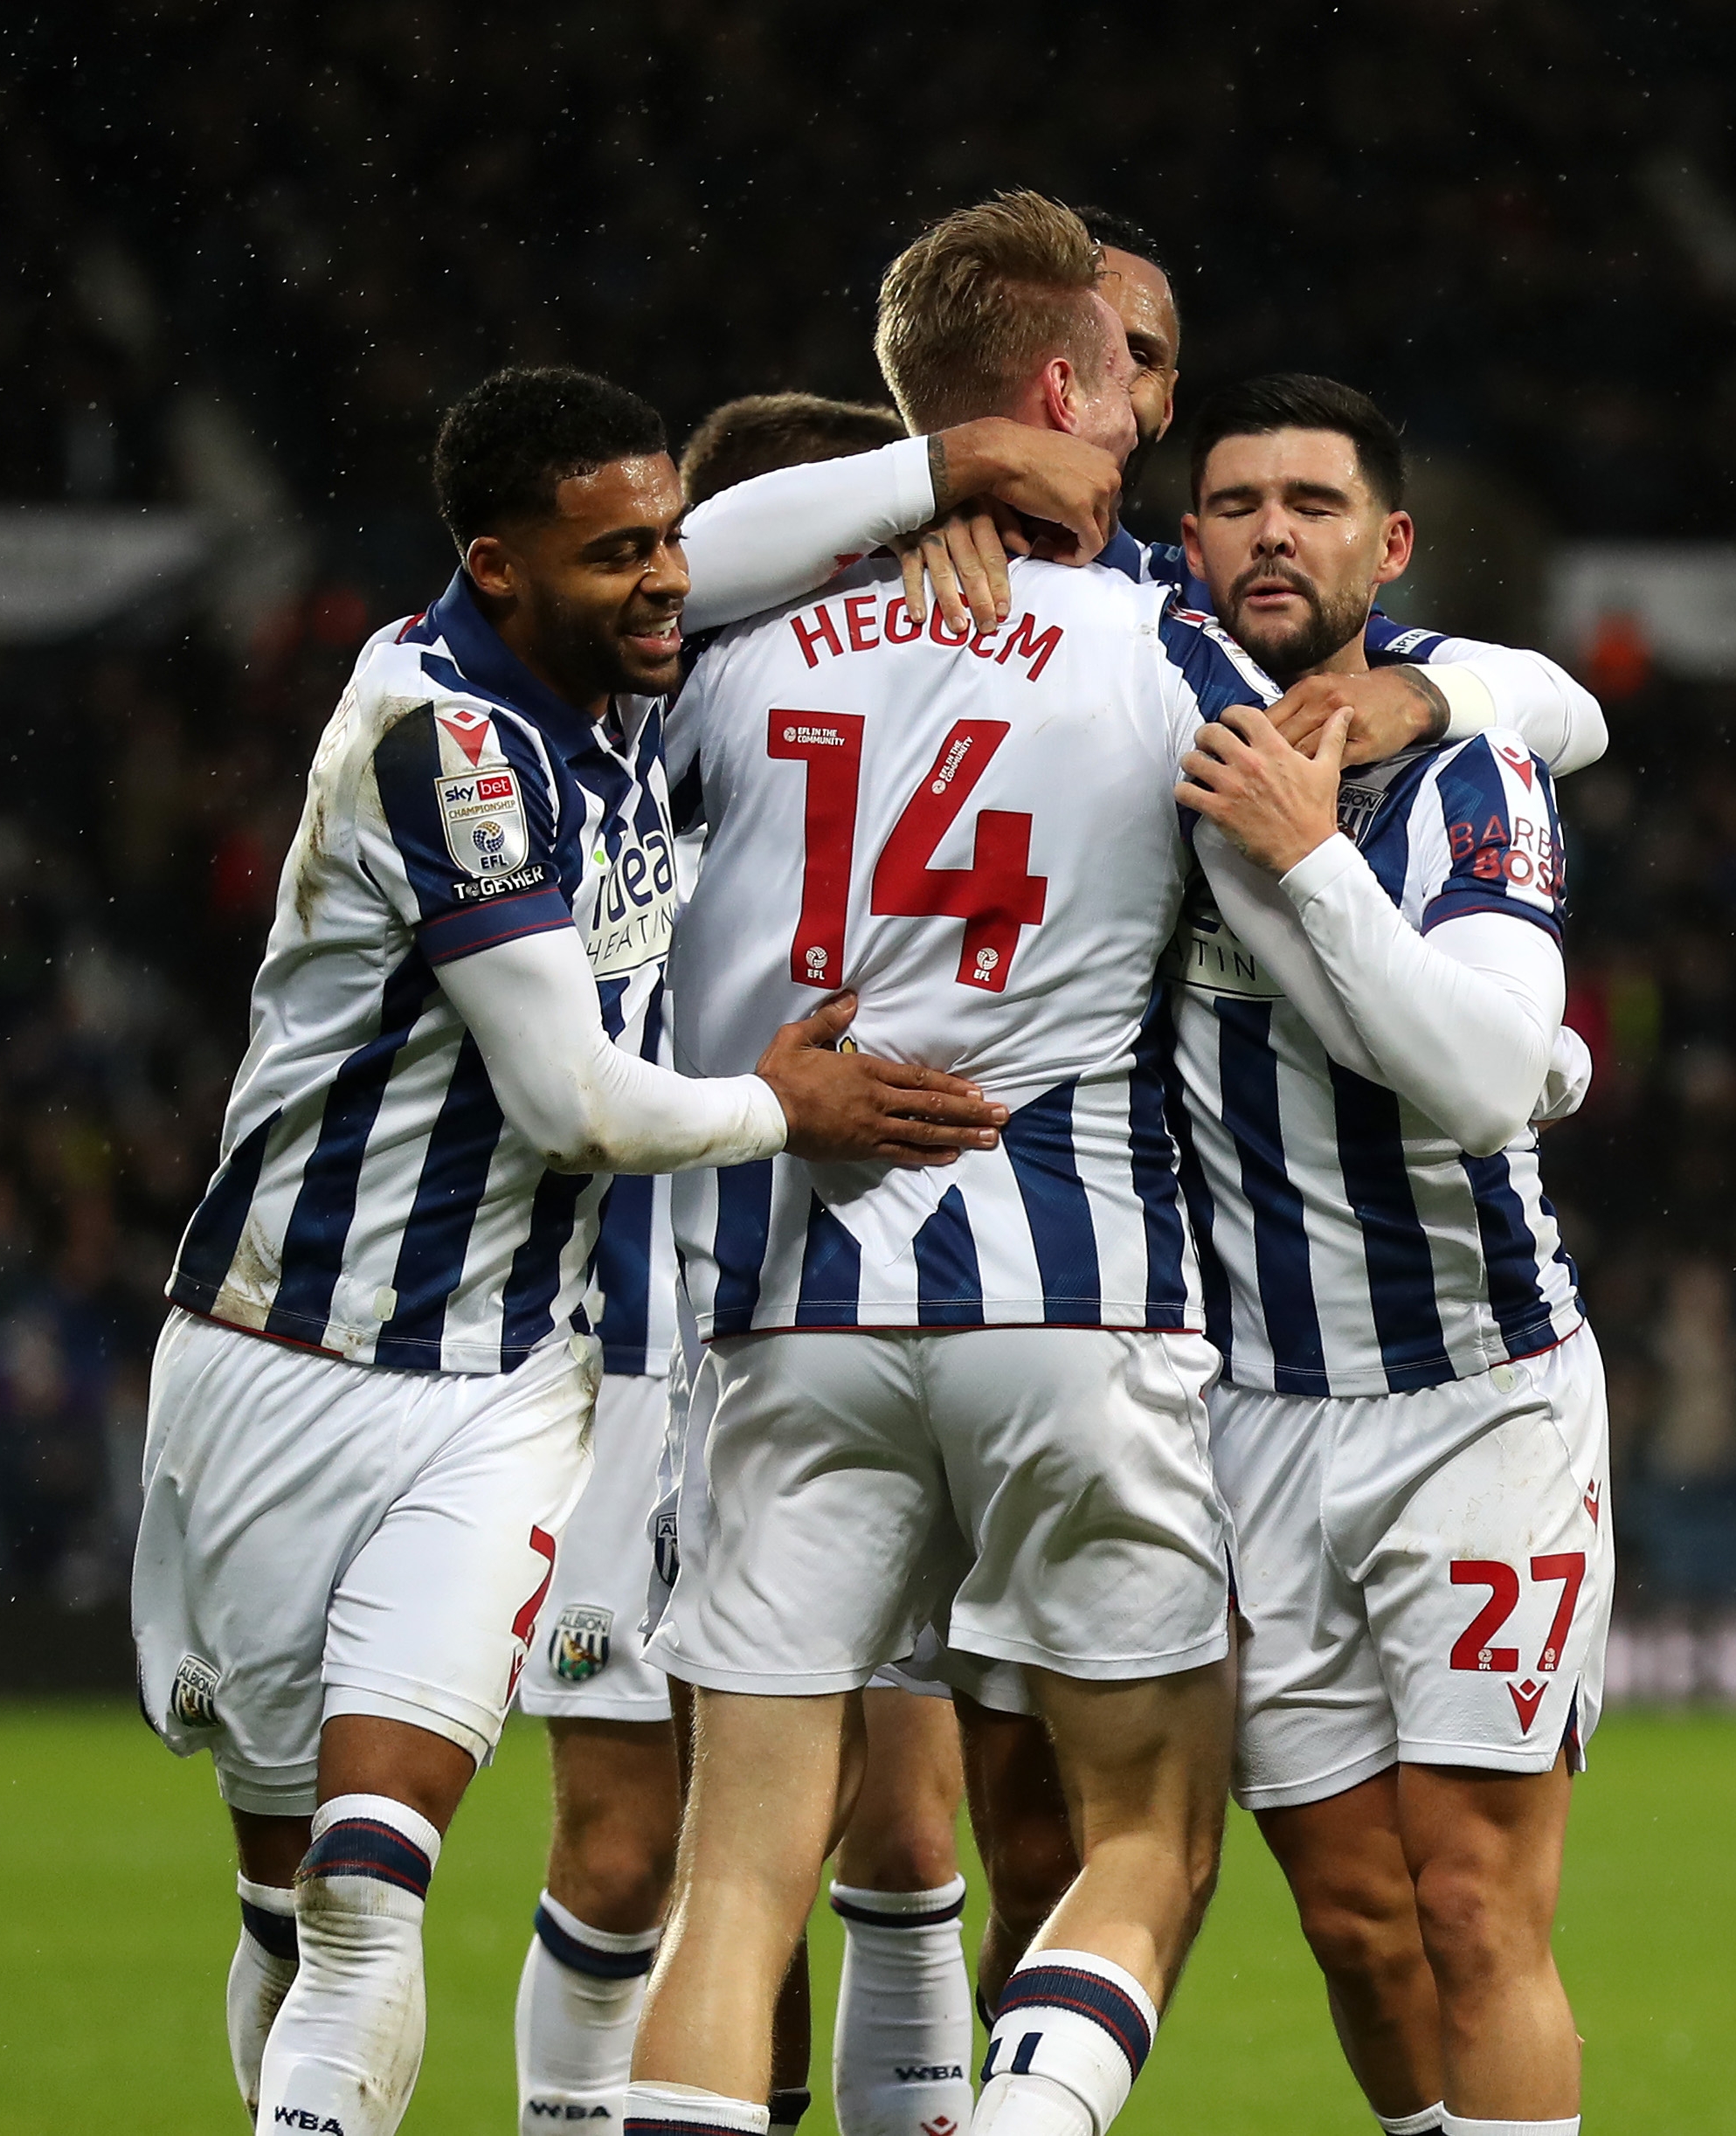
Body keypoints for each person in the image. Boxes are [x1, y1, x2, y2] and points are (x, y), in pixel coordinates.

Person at [133, 365, 1007, 2136]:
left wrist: (947, 471)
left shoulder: (615, 677)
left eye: (672, 545)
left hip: (509, 1384)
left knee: (374, 1882)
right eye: (620, 553)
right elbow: (579, 1106)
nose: (670, 580)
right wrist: (786, 1104)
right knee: (288, 1889)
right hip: (271, 1347)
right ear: (499, 562)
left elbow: (738, 529)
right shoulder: (441, 731)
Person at [626, 190, 1255, 2136]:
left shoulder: (733, 642)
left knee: (737, 1873)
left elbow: (655, 568)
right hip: (1069, 1294)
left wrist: (926, 485)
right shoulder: (1161, 637)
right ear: (1058, 383)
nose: (1145, 424)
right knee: (1143, 1827)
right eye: (1122, 381)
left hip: (790, 1300)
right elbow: (1343, 777)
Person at [515, 384, 983, 2136]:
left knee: (901, 1826)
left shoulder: (959, 697)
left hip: (869, 1319)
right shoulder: (614, 718)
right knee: (632, 1850)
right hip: (639, 1346)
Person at [1164, 373, 1607, 2136]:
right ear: (1182, 541)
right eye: (1237, 501)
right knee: (1352, 1917)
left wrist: (1306, 863)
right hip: (1254, 1411)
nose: (1275, 529)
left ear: (1389, 542)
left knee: (1469, 1902)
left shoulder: (1465, 764)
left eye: (1314, 501)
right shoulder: (1147, 724)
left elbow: (1493, 1073)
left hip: (1475, 1394)